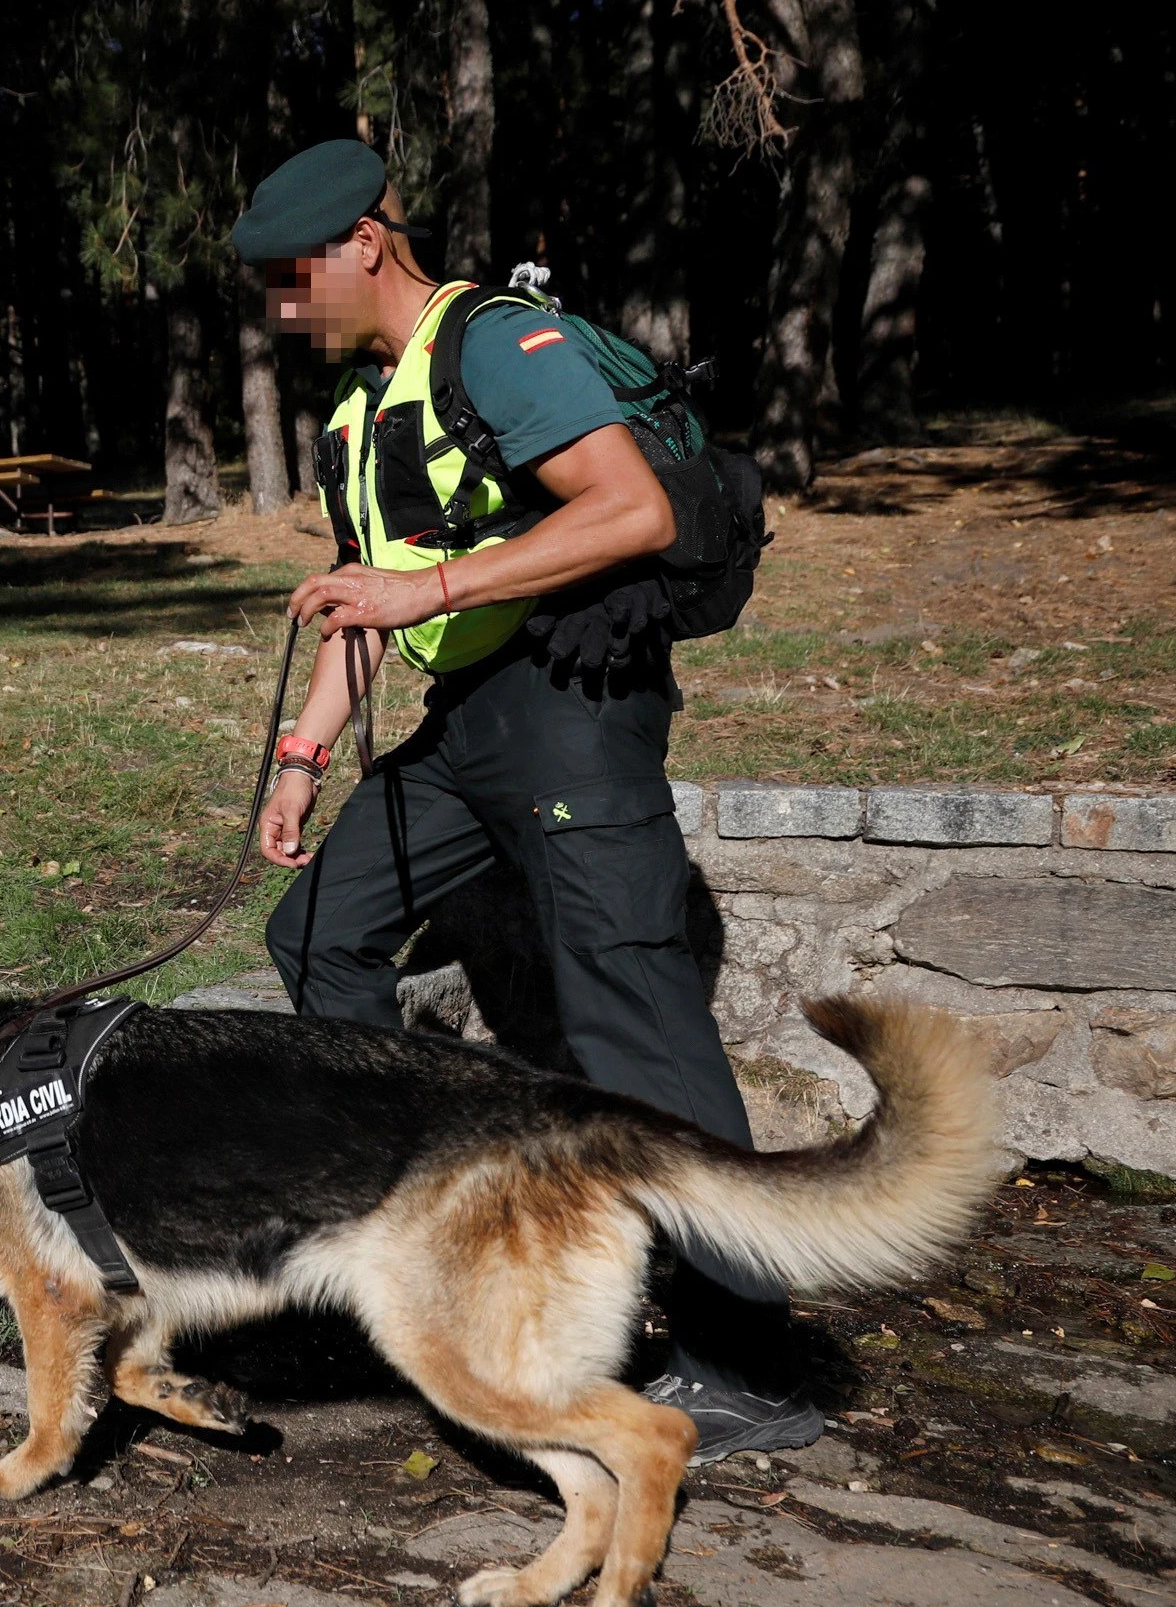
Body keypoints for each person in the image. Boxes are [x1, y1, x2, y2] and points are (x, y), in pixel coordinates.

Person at [232, 138, 821, 1463]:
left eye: (291, 277)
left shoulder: (491, 342)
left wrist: (424, 593)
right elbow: (355, 600)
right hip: (466, 729)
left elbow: (630, 513)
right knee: (317, 936)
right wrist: (302, 760)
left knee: (633, 1012)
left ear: (366, 243)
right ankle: (407, 1240)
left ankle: (752, 1363)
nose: (280, 309)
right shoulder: (361, 412)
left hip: (574, 713)